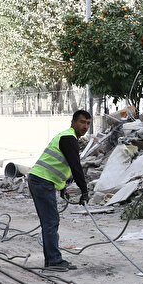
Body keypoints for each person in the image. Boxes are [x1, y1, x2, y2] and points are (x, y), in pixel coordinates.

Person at [28, 110, 91, 271]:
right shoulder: (69, 139)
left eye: (88, 123)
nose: (85, 126)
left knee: (49, 222)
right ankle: (54, 261)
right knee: (51, 222)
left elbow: (61, 165)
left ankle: (52, 259)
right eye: (82, 122)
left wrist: (62, 188)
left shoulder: (66, 137)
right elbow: (76, 167)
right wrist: (84, 191)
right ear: (73, 123)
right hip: (42, 181)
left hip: (41, 180)